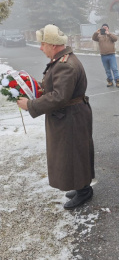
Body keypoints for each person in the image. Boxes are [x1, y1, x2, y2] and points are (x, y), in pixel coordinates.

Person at [17, 24, 95, 210]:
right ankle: (80, 186)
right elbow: (55, 88)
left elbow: (59, 97)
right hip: (68, 115)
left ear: (52, 45)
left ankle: (84, 191)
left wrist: (30, 105)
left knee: (74, 153)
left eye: (42, 44)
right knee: (71, 153)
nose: (40, 48)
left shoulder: (65, 65)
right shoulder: (61, 61)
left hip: (71, 117)